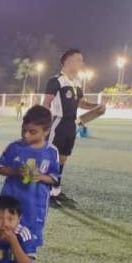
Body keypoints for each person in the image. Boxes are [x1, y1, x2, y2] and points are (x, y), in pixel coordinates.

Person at [43, 49, 102, 208]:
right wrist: (44, 125)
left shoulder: (76, 83)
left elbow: (82, 103)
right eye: (79, 60)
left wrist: (97, 106)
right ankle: (46, 193)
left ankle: (56, 190)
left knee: (62, 159)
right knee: (52, 159)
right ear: (68, 61)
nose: (82, 63)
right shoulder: (56, 81)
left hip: (71, 124)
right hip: (58, 123)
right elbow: (46, 103)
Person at [0, 105, 60, 250]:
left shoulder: (51, 152)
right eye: (24, 130)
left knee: (30, 239)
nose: (26, 135)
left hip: (35, 204)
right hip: (11, 199)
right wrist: (14, 171)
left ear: (46, 131)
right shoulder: (14, 147)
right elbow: (0, 168)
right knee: (5, 233)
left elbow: (54, 179)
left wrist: (40, 177)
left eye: (32, 132)